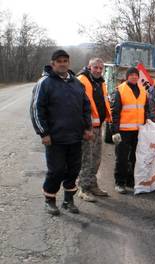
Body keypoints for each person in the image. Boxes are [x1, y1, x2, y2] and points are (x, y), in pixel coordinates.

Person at [30, 49, 92, 215]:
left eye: (65, 61)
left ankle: (68, 201)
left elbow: (86, 107)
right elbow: (37, 109)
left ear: (68, 63)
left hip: (75, 137)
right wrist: (43, 133)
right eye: (59, 61)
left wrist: (87, 128)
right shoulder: (44, 83)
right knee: (56, 171)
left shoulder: (77, 83)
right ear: (53, 64)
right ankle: (49, 200)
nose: (63, 63)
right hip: (55, 138)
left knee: (73, 170)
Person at [77, 58, 111, 202]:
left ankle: (92, 185)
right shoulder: (81, 80)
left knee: (96, 158)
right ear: (89, 67)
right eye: (95, 67)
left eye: (100, 68)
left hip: (98, 126)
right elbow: (78, 106)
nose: (98, 70)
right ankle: (83, 188)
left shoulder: (101, 82)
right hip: (87, 127)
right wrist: (85, 128)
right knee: (86, 159)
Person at [111, 67, 148, 194]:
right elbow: (115, 112)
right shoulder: (120, 90)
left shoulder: (143, 91)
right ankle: (119, 182)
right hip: (123, 130)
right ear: (127, 77)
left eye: (136, 75)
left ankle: (130, 180)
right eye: (131, 75)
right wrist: (115, 131)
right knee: (121, 157)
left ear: (138, 77)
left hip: (138, 131)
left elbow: (145, 110)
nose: (134, 77)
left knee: (135, 157)